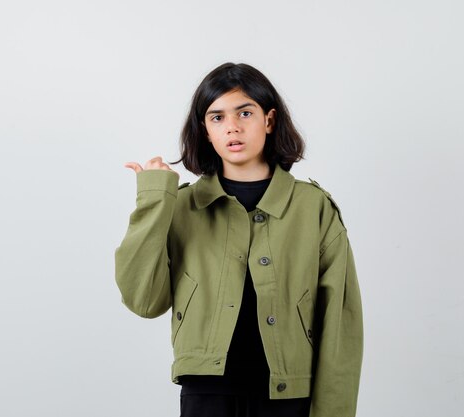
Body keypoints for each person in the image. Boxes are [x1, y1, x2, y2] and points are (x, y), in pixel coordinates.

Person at [114, 62, 363, 417]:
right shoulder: (181, 206)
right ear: (205, 130)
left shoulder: (314, 208)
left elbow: (341, 326)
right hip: (206, 396)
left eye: (244, 112)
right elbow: (144, 301)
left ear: (269, 120)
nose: (232, 127)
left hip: (289, 399)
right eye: (217, 117)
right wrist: (155, 199)